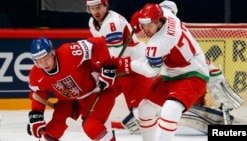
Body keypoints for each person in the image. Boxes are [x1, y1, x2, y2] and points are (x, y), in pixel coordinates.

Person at [127, 3, 210, 141]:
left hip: (193, 74)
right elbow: (170, 4)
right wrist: (140, 17)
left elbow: (150, 71)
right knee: (144, 110)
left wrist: (128, 64)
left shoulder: (158, 44)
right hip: (171, 75)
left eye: (149, 25)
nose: (146, 30)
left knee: (170, 110)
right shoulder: (166, 12)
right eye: (144, 25)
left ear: (159, 22)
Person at [27, 36, 117, 141]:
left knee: (92, 127)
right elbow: (39, 94)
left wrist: (107, 65)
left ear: (53, 53)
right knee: (48, 135)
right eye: (39, 61)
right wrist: (36, 114)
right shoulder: (36, 75)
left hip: (96, 90)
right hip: (69, 101)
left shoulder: (69, 52)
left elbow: (99, 43)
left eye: (46, 58)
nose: (44, 63)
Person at [86, 0, 153, 134]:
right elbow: (103, 50)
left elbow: (114, 53)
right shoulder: (92, 23)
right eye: (92, 9)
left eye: (98, 7)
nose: (96, 12)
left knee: (140, 108)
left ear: (105, 6)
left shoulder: (113, 23)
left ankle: (157, 117)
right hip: (119, 67)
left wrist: (99, 64)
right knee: (103, 93)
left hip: (134, 65)